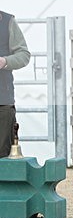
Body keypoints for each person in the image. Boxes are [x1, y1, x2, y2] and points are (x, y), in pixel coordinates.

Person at [1, 10, 31, 158]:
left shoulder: (7, 21)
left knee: (3, 154)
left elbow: (24, 55)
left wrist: (5, 61)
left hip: (2, 102)